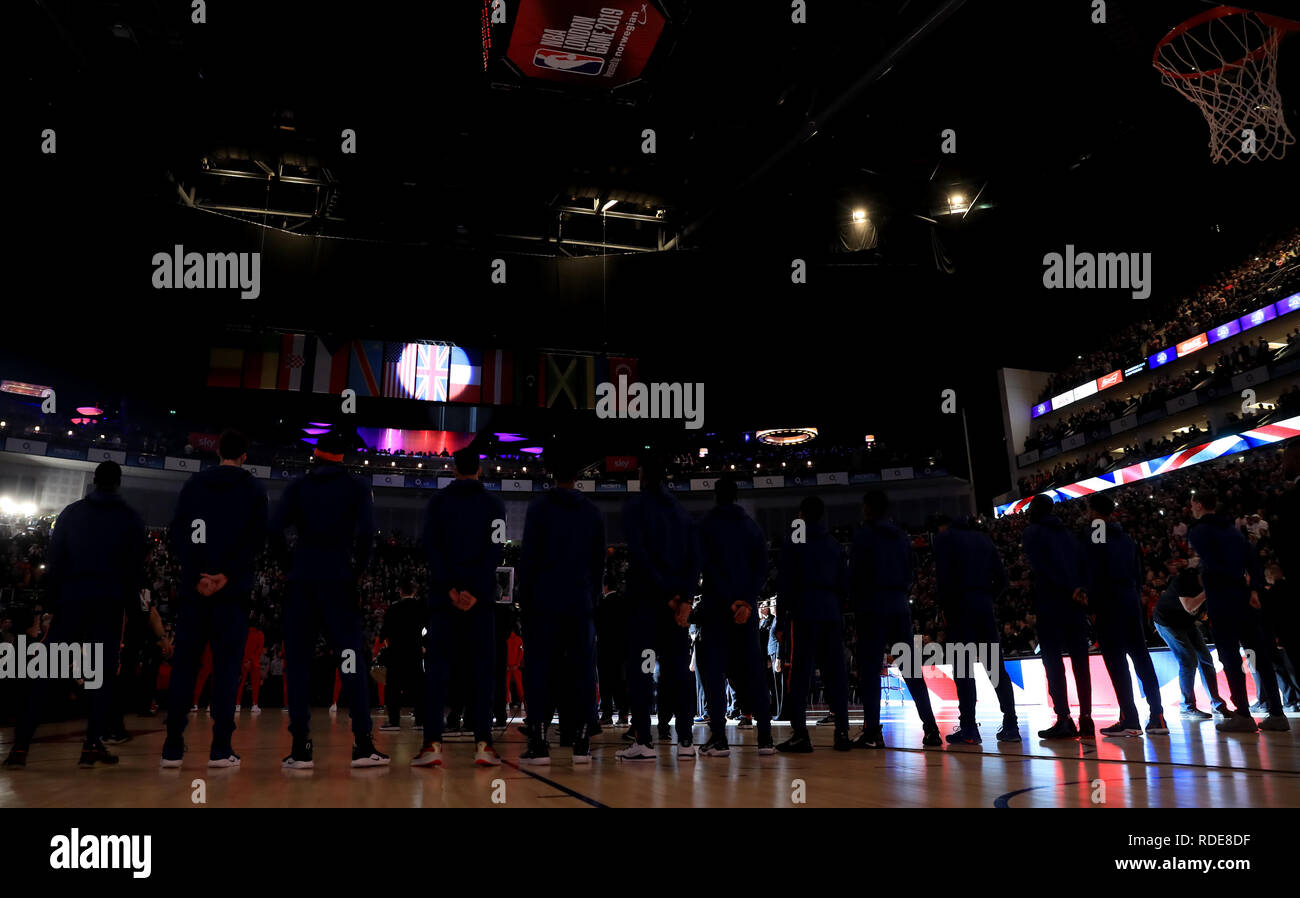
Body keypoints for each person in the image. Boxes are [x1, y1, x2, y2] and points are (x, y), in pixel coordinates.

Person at [4, 462, 150, 768]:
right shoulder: (131, 518)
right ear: (118, 483)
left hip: (71, 601)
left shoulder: (72, 513)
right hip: (108, 606)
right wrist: (130, 608)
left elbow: (55, 559)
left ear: (94, 481)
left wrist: (55, 602)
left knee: (45, 672)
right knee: (101, 677)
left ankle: (20, 748)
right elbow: (135, 570)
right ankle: (90, 746)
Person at [269, 429, 390, 769]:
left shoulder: (298, 487)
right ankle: (363, 744)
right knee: (350, 660)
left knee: (299, 664)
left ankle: (300, 748)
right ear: (344, 457)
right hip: (339, 579)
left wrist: (288, 566)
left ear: (316, 455)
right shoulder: (356, 488)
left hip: (303, 580)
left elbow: (274, 529)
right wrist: (358, 570)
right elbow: (367, 535)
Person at [160, 430, 268, 769]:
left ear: (218, 451)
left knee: (185, 668)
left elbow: (179, 532)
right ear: (245, 456)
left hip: (195, 591)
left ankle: (172, 747)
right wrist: (227, 576)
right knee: (225, 671)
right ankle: (221, 749)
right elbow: (255, 540)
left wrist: (197, 575)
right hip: (231, 594)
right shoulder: (252, 489)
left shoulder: (194, 485)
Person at [412, 446, 506, 768]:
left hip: (444, 599)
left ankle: (433, 744)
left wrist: (452, 589)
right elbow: (496, 550)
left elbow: (431, 548)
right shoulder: (495, 505)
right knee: (483, 672)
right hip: (480, 603)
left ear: (453, 469)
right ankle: (483, 744)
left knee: (438, 672)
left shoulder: (437, 503)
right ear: (479, 469)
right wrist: (475, 591)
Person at [516, 443, 606, 766]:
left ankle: (539, 742)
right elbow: (599, 565)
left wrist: (523, 602)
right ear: (578, 476)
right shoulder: (593, 513)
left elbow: (528, 561)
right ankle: (582, 741)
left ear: (553, 475)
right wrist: (591, 598)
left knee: (540, 671)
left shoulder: (539, 509)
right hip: (580, 604)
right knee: (583, 671)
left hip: (543, 604)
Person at [615, 454, 700, 762]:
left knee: (641, 673)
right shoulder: (683, 514)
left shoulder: (634, 508)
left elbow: (641, 555)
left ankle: (644, 742)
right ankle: (687, 741)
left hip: (647, 603)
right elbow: (694, 560)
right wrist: (686, 600)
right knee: (678, 673)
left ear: (642, 475)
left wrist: (667, 595)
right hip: (677, 608)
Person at [1189, 489, 1289, 732]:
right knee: (1259, 654)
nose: (1191, 509)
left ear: (1200, 505)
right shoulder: (1233, 530)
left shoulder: (1199, 531)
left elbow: (1212, 563)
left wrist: (1202, 571)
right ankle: (1277, 713)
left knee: (1231, 657)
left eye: (1193, 505)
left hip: (1222, 598)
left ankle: (1243, 714)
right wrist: (1254, 589)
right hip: (1244, 596)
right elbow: (1252, 561)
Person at [850, 490, 939, 749]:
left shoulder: (863, 536)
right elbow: (911, 569)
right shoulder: (901, 536)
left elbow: (855, 576)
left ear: (867, 508)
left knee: (870, 673)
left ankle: (873, 732)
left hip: (871, 608)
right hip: (899, 607)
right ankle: (931, 729)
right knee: (912, 670)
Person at [696, 475, 774, 757]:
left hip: (718, 608)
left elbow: (704, 566)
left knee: (715, 674)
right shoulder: (751, 527)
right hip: (748, 610)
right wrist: (747, 601)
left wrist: (730, 601)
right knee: (754, 672)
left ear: (716, 495)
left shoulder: (706, 525)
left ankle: (719, 738)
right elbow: (762, 568)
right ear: (737, 496)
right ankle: (765, 738)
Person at [1080, 494, 1168, 737]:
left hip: (1109, 602)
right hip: (1129, 599)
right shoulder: (1126, 537)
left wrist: (1092, 603)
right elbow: (1138, 573)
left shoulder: (1097, 531)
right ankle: (1157, 716)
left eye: (1088, 510)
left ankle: (1130, 718)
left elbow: (1097, 568)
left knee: (1117, 663)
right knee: (1141, 658)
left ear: (1095, 512)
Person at [932, 515, 1019, 744]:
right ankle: (1011, 725)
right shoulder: (984, 540)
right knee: (996, 670)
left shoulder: (944, 539)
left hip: (959, 611)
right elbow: (1002, 579)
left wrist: (945, 608)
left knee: (963, 671)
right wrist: (988, 599)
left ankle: (970, 728)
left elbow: (943, 578)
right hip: (984, 609)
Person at [774, 495, 852, 753]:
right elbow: (844, 584)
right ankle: (842, 732)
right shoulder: (833, 543)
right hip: (830, 610)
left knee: (799, 674)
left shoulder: (796, 540)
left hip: (804, 610)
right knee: (835, 674)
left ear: (802, 515)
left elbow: (785, 581)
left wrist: (782, 620)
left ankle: (800, 734)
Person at [1022, 494, 1093, 739]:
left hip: (1051, 603)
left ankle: (1064, 718)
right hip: (1075, 602)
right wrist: (1079, 589)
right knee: (1080, 663)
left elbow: (1042, 568)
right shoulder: (1069, 534)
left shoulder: (1032, 533)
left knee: (1053, 664)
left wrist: (1066, 587)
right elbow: (1084, 564)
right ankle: (1086, 718)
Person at [1152, 566, 1229, 719]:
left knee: (1206, 660)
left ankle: (1217, 703)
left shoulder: (1209, 587)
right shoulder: (1183, 580)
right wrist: (1208, 591)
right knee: (1188, 660)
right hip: (1167, 622)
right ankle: (1187, 707)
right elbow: (1189, 606)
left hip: (1187, 622)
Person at [378, 579, 425, 732]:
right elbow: (429, 629)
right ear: (414, 592)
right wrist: (424, 645)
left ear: (400, 591)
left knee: (393, 687)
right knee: (419, 688)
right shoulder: (421, 607)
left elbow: (384, 632)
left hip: (396, 652)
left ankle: (394, 721)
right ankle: (420, 721)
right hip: (415, 652)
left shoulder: (393, 608)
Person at [595, 574, 628, 726]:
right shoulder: (623, 602)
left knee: (606, 683)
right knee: (620, 683)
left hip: (605, 648)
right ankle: (623, 714)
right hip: (621, 649)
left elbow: (597, 626)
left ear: (605, 586)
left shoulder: (602, 603)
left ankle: (607, 714)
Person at [235, 616, 265, 713]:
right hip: (254, 662)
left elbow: (241, 647)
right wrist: (251, 660)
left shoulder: (244, 633)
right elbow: (259, 650)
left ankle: (237, 704)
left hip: (244, 662)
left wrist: (246, 660)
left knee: (240, 684)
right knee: (255, 685)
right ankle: (254, 705)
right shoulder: (261, 634)